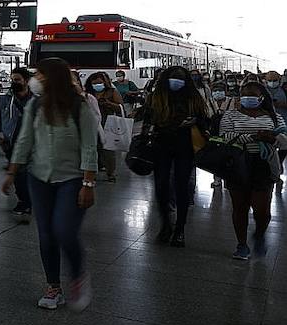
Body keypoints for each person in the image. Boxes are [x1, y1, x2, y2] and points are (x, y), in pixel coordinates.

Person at [6, 59, 99, 311]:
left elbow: (90, 146)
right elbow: (25, 139)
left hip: (72, 179)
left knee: (64, 230)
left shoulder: (80, 106)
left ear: (53, 77)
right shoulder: (35, 105)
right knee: (46, 234)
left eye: (40, 74)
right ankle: (53, 287)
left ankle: (78, 276)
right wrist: (12, 171)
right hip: (39, 178)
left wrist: (88, 183)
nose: (36, 79)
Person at [213, 81, 287, 259]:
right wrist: (253, 136)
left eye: (253, 95)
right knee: (240, 207)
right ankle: (242, 245)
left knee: (263, 210)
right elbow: (225, 136)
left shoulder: (275, 117)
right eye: (245, 94)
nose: (248, 98)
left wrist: (272, 139)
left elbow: (284, 139)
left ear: (262, 97)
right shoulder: (230, 115)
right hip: (237, 164)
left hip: (264, 165)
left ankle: (260, 234)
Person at [138, 65, 210, 247]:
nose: (176, 82)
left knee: (181, 187)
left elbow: (205, 120)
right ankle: (166, 224)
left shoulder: (194, 99)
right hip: (161, 145)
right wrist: (147, 132)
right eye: (173, 78)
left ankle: (180, 228)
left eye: (180, 79)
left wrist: (195, 121)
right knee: (161, 186)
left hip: (185, 147)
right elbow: (147, 119)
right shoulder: (156, 97)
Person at [0, 67, 35, 223]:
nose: (14, 83)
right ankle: (25, 200)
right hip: (11, 143)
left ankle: (26, 201)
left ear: (26, 81)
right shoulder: (4, 100)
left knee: (26, 172)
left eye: (17, 80)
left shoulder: (36, 101)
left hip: (33, 144)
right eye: (13, 80)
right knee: (18, 173)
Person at [85, 71, 124, 183]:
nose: (98, 85)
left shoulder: (111, 92)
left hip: (108, 123)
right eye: (95, 83)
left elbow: (119, 106)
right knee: (93, 148)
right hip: (92, 124)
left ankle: (110, 173)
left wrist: (108, 103)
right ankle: (93, 172)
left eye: (100, 83)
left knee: (109, 150)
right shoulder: (88, 93)